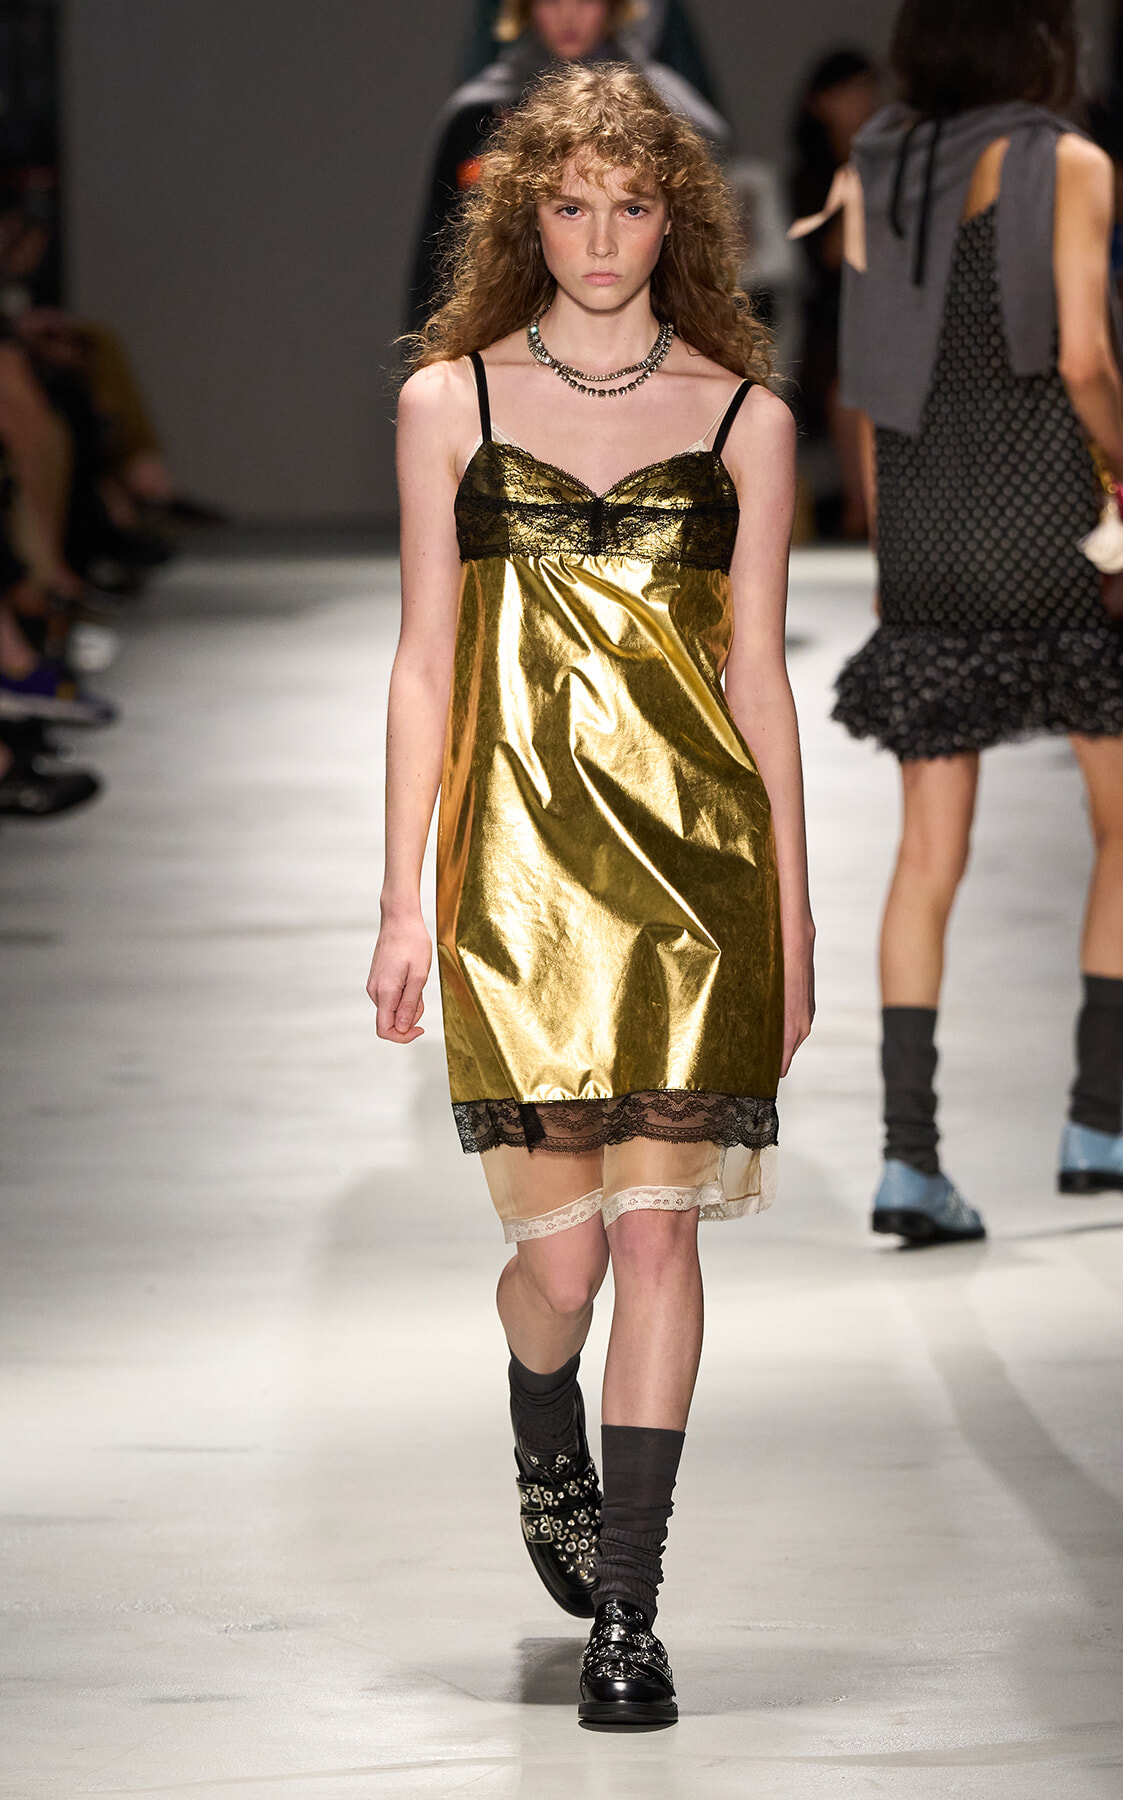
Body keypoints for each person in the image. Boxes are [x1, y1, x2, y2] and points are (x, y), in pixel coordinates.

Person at [370, 63, 813, 1726]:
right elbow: (425, 664)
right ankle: (536, 1398)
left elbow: (759, 680)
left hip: (701, 876)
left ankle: (630, 1612)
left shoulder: (744, 418)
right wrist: (401, 901)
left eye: (633, 205)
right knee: (563, 1276)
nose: (604, 236)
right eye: (571, 206)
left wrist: (797, 917)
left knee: (659, 1234)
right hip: (517, 878)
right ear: (525, 220)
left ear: (675, 219)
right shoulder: (449, 404)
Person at [826, 0, 1123, 1245]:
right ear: (1040, 40)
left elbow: (867, 386)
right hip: (1048, 527)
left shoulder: (876, 165)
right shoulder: (1063, 159)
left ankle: (908, 1162)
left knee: (927, 855)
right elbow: (1085, 358)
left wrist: (891, 552)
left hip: (929, 532)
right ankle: (1097, 1123)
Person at [406, 0, 728, 330]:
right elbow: (439, 253)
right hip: (501, 326)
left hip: (656, 329)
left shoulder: (672, 114)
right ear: (525, 7)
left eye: (585, 0)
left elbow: (705, 251)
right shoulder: (476, 116)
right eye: (551, 1)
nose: (568, 17)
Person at [787, 49, 881, 539]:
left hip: (891, 314)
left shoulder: (897, 165)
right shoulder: (810, 178)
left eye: (867, 89)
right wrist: (861, 170)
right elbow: (836, 253)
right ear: (819, 104)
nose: (862, 102)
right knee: (849, 388)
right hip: (836, 324)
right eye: (848, 92)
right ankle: (861, 511)